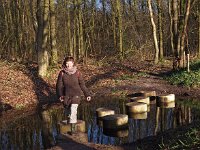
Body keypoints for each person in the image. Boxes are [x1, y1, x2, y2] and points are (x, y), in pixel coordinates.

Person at [56, 56, 91, 135]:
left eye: (70, 63)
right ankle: (70, 128)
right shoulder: (62, 73)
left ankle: (73, 132)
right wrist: (60, 95)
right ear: (65, 64)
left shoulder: (77, 73)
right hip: (66, 96)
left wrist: (87, 94)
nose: (68, 65)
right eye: (67, 63)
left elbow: (82, 85)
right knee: (69, 113)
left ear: (73, 63)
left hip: (76, 95)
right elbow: (59, 86)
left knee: (73, 112)